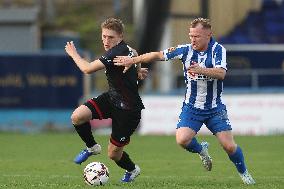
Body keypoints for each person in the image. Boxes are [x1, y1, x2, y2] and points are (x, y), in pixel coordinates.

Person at [114, 17, 256, 185]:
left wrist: (200, 69)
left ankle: (244, 173)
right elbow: (157, 55)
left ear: (208, 35)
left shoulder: (218, 50)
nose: (192, 39)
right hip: (191, 108)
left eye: (197, 36)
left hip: (214, 108)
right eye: (191, 35)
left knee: (229, 147)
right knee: (182, 140)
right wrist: (133, 60)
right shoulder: (185, 50)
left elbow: (221, 73)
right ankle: (202, 150)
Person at [65, 17, 148, 183]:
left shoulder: (115, 53)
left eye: (110, 37)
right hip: (112, 98)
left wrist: (74, 54)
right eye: (104, 36)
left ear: (120, 37)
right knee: (77, 116)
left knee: (113, 154)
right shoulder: (127, 49)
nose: (106, 40)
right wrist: (138, 71)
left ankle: (132, 169)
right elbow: (135, 53)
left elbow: (87, 69)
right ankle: (92, 147)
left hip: (128, 110)